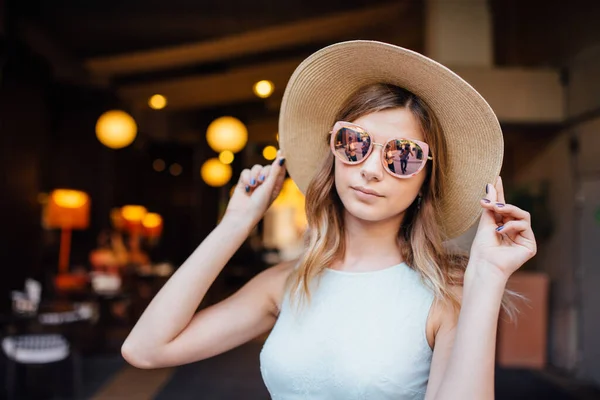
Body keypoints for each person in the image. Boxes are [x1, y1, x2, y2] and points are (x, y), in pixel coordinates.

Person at [121, 41, 536, 399]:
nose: (371, 168)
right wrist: (236, 223)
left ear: (427, 178)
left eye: (402, 155)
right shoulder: (286, 283)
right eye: (355, 143)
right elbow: (146, 349)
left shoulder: (446, 297)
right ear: (334, 153)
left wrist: (486, 275)